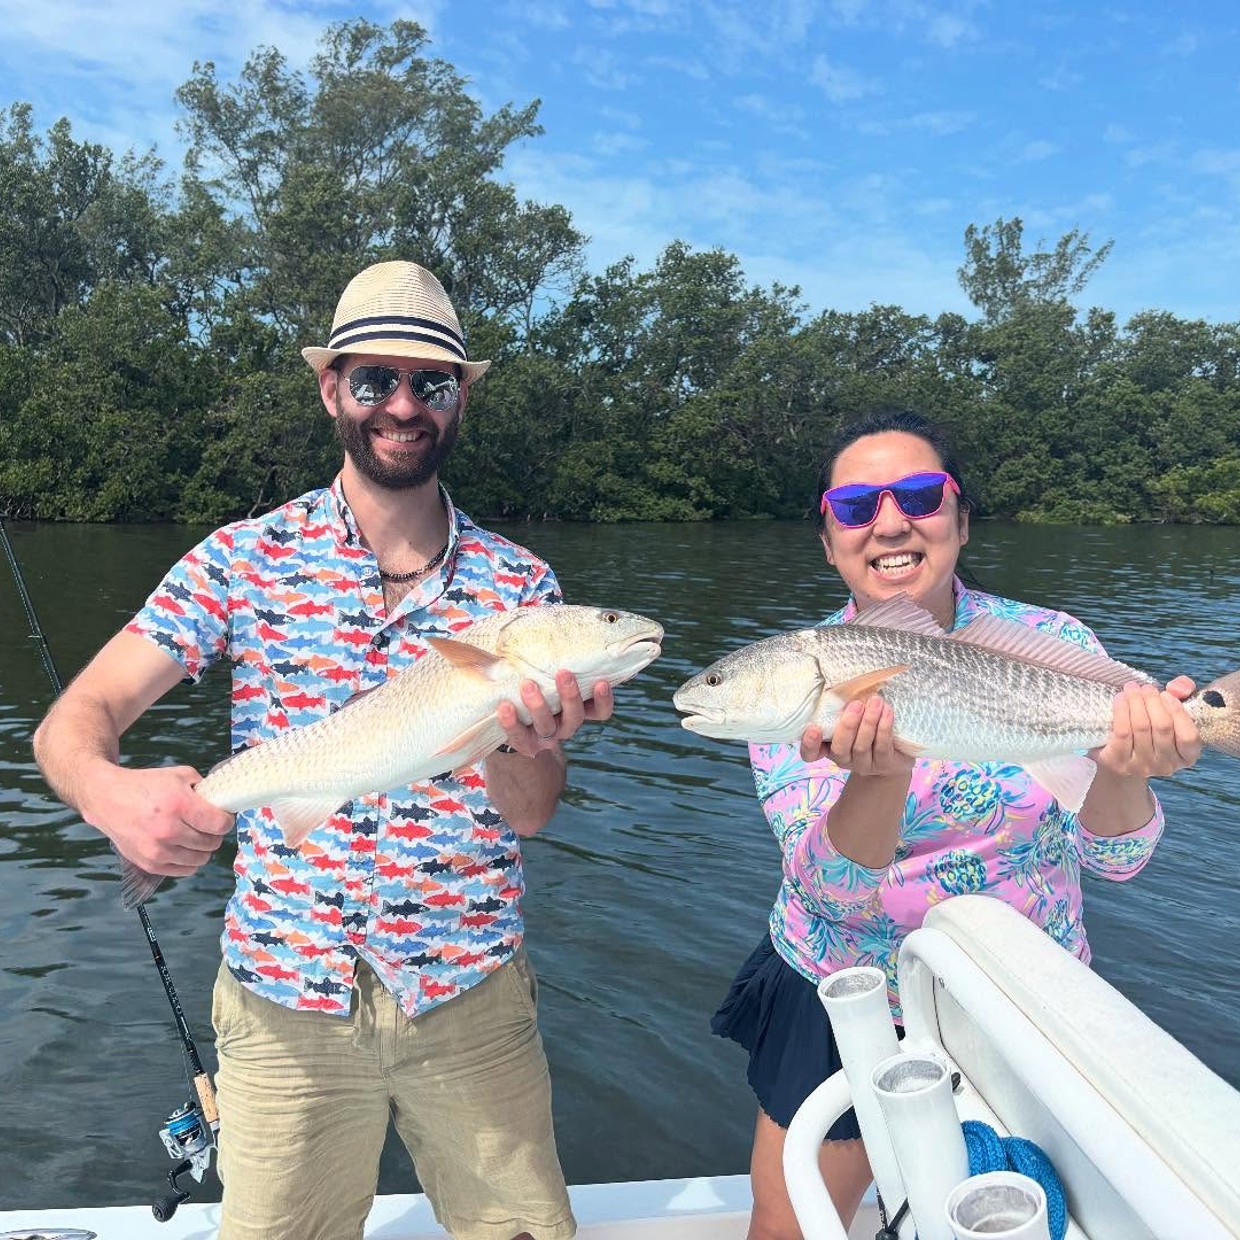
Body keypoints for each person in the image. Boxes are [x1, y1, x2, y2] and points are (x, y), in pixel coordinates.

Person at [32, 260, 602, 1240]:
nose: (403, 405)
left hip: (468, 993)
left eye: (432, 381)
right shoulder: (240, 559)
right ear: (332, 388)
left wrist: (520, 738)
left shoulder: (522, 586)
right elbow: (70, 723)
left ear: (461, 397)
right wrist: (108, 792)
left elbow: (531, 812)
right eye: (375, 379)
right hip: (282, 1000)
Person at [710, 408, 1203, 1238]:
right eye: (857, 507)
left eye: (918, 496)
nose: (891, 523)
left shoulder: (1053, 642)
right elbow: (830, 889)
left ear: (961, 520)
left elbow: (1115, 860)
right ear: (828, 540)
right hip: (842, 986)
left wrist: (1124, 766)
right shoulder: (800, 670)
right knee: (786, 1221)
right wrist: (881, 778)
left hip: (1018, 994)